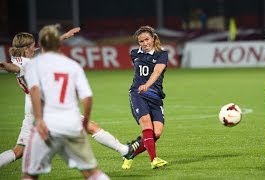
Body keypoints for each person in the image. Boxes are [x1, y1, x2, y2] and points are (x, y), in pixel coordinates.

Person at [0, 27, 136, 169]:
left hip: (32, 108)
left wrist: (64, 36)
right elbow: (14, 67)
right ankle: (125, 150)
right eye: (33, 46)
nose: (35, 48)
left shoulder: (24, 57)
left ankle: (123, 150)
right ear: (27, 48)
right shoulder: (23, 63)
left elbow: (43, 48)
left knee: (19, 150)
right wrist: (6, 67)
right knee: (91, 127)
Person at [22, 24, 109, 179]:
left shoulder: (35, 64)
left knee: (30, 175)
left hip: (47, 124)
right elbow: (87, 97)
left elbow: (34, 91)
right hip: (72, 123)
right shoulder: (73, 65)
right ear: (59, 44)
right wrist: (85, 121)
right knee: (92, 172)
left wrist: (39, 118)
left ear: (40, 44)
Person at [122, 25, 168, 169]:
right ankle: (154, 160)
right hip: (138, 94)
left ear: (153, 39)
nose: (145, 43)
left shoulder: (162, 54)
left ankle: (130, 153)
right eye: (141, 41)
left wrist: (148, 84)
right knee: (146, 124)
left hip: (155, 96)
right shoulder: (134, 53)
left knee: (157, 133)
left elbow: (157, 71)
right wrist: (142, 86)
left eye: (147, 39)